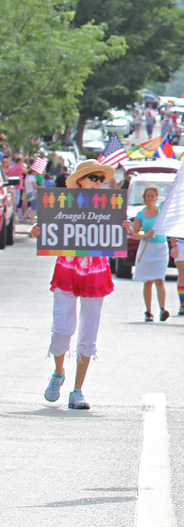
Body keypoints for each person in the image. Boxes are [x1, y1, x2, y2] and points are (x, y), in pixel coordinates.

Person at [30, 160, 117, 410]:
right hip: (67, 268)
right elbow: (47, 229)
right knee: (61, 328)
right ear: (81, 180)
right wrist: (38, 231)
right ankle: (58, 373)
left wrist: (124, 229)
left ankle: (77, 390)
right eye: (94, 177)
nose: (99, 182)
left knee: (89, 332)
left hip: (96, 270)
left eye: (101, 178)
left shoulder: (109, 205)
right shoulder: (61, 203)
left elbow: (119, 233)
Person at [125, 185, 170, 322]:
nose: (150, 198)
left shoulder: (162, 210)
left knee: (159, 279)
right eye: (147, 196)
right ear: (145, 198)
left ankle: (163, 308)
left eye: (152, 196)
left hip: (161, 248)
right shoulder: (140, 214)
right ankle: (148, 311)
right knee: (148, 281)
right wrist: (145, 234)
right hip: (147, 247)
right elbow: (135, 233)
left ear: (156, 197)